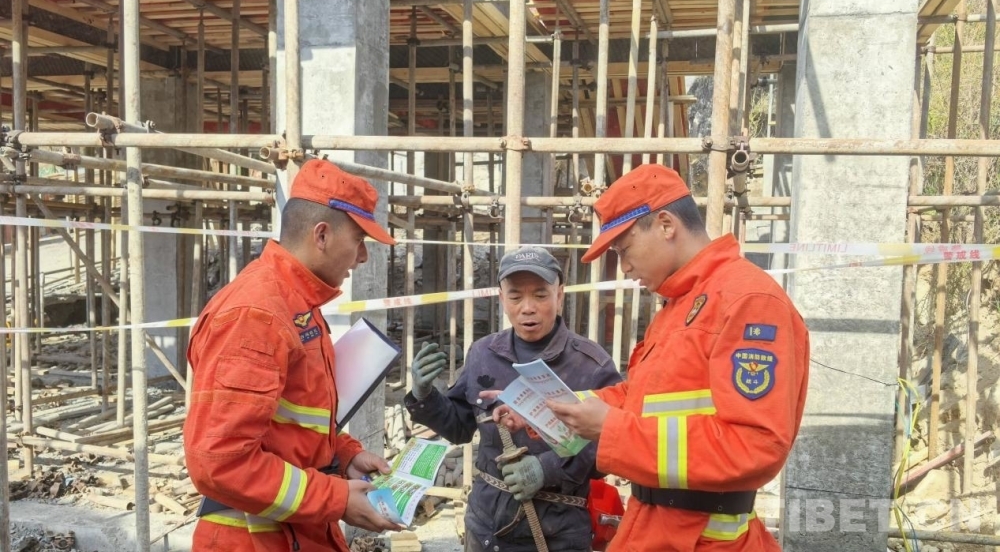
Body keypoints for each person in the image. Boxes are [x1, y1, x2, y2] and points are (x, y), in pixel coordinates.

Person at [547, 163, 810, 551]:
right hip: (654, 528)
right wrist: (558, 407)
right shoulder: (681, 305)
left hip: (703, 540)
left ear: (666, 225)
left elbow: (755, 446)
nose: (625, 267)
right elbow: (642, 398)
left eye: (624, 249)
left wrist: (612, 429)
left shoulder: (747, 301)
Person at [184, 159, 402, 552]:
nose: (363, 257)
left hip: (293, 533)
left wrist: (344, 455)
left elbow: (290, 425)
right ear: (322, 235)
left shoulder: (297, 307)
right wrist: (336, 498)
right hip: (251, 540)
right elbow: (220, 462)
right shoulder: (257, 315)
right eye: (358, 240)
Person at [405, 246, 623, 552]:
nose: (528, 308)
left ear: (560, 295)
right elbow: (459, 427)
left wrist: (547, 468)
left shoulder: (590, 365)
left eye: (541, 295)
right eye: (516, 296)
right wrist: (423, 395)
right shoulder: (483, 353)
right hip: (485, 527)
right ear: (501, 298)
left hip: (556, 532)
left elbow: (614, 444)